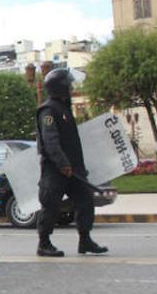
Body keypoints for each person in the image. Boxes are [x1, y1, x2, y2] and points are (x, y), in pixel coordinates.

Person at [35, 68, 108, 257]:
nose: (71, 87)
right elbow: (50, 141)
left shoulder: (65, 109)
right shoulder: (48, 110)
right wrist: (63, 164)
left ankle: (85, 240)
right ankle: (44, 243)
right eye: (68, 84)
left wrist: (74, 166)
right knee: (50, 205)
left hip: (73, 169)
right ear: (59, 87)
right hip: (55, 169)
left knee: (85, 201)